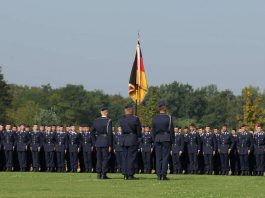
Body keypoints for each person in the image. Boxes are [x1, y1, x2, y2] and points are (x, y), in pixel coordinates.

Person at [152, 101, 174, 180]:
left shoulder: (155, 118)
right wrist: (173, 141)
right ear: (164, 108)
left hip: (157, 138)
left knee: (158, 157)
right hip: (166, 138)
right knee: (165, 157)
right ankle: (163, 174)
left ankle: (158, 174)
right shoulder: (169, 117)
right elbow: (171, 130)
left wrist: (154, 139)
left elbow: (153, 130)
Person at [119, 104, 141, 180]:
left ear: (125, 110)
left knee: (124, 157)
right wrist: (138, 138)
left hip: (124, 139)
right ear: (131, 110)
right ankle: (130, 174)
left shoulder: (121, 118)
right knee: (131, 158)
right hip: (132, 139)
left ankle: (125, 174)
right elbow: (138, 131)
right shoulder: (135, 119)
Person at [92, 107, 113, 179]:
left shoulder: (96, 120)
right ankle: (103, 174)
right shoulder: (109, 121)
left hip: (98, 141)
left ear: (101, 112)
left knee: (99, 158)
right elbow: (110, 133)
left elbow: (92, 132)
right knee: (105, 158)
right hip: (105, 141)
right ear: (106, 112)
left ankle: (98, 173)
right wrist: (110, 144)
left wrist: (95, 141)